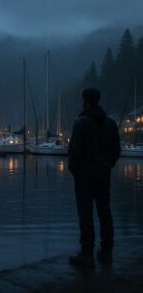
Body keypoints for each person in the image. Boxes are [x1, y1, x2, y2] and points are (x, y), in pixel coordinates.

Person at [68, 88, 121, 268]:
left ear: (85, 101)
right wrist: (107, 165)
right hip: (103, 173)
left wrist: (75, 170)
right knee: (104, 211)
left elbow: (74, 152)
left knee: (86, 213)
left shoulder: (81, 123)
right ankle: (107, 252)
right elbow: (116, 151)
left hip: (84, 175)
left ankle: (87, 254)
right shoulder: (111, 124)